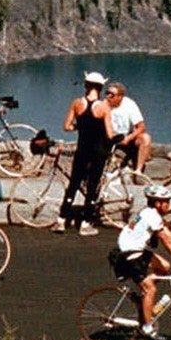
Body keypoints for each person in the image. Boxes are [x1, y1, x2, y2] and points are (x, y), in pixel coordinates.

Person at [110, 183, 171, 337]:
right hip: (130, 254)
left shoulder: (151, 213)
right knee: (150, 289)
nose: (169, 204)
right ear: (157, 203)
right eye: (166, 201)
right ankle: (146, 326)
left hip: (138, 249)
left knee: (164, 267)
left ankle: (144, 300)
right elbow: (166, 241)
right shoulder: (151, 216)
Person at [58, 71, 112, 235]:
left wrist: (80, 127)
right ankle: (86, 224)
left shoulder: (77, 103)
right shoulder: (103, 107)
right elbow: (110, 134)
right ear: (101, 87)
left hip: (82, 149)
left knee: (73, 184)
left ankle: (61, 220)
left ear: (86, 85)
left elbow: (67, 127)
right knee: (92, 186)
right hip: (98, 151)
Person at [105, 81, 150, 175]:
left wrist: (128, 138)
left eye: (112, 94)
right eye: (107, 93)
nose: (108, 96)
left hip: (126, 138)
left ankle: (138, 171)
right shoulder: (103, 105)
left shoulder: (129, 105)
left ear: (120, 97)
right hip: (109, 137)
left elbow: (141, 127)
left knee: (145, 138)